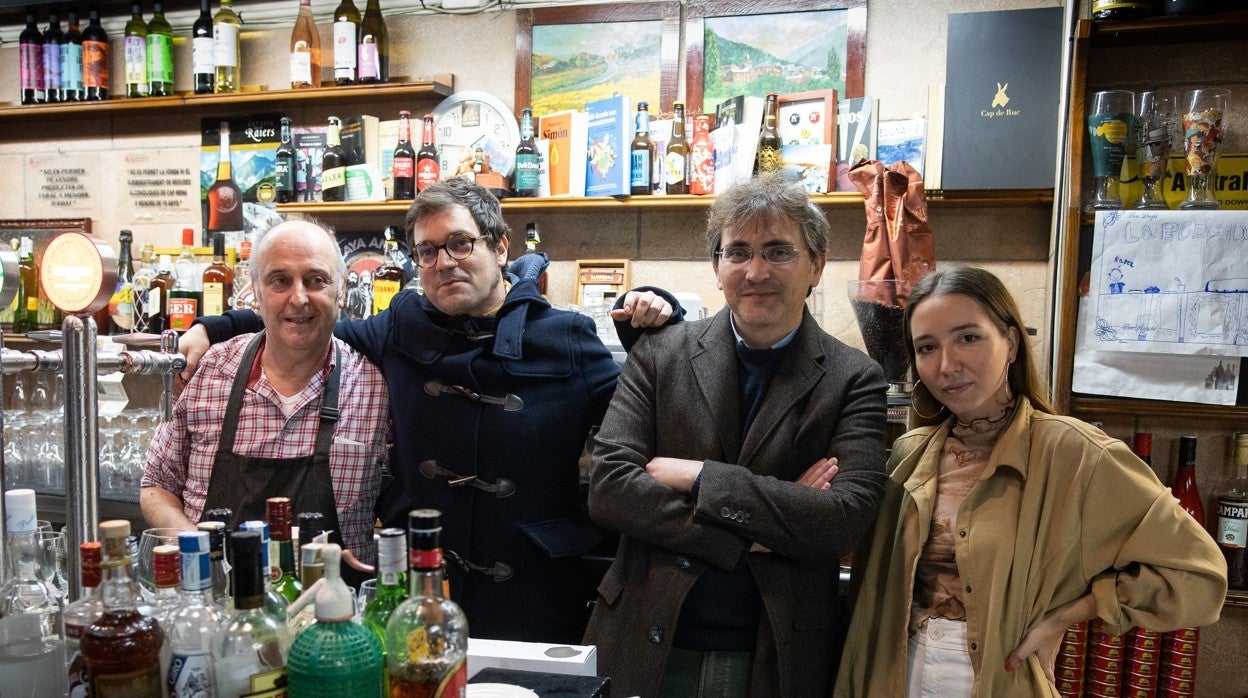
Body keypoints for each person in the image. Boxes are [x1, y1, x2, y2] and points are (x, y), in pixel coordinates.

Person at [178, 177, 678, 643]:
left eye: (460, 243)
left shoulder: (566, 337)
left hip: (535, 590)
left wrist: (657, 327)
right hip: (420, 588)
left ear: (500, 246)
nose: (444, 261)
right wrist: (215, 325)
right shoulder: (400, 326)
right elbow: (308, 316)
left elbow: (652, 420)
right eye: (427, 251)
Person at [836, 266, 1228, 696]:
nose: (947, 364)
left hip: (1000, 679)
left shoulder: (1076, 454)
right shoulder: (908, 456)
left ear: (1011, 342)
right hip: (896, 674)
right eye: (927, 347)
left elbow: (1201, 577)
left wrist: (1071, 613)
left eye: (969, 337)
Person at [583, 173, 889, 697]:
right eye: (739, 252)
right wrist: (757, 529)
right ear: (717, 267)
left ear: (816, 264)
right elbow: (610, 489)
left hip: (774, 653)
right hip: (644, 636)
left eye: (778, 252)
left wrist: (698, 476)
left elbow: (842, 522)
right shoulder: (660, 355)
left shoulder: (854, 378)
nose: (756, 271)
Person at [141, 220, 392, 569]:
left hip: (335, 612)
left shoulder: (375, 386)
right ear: (256, 293)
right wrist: (195, 549)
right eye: (280, 281)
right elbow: (156, 484)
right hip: (216, 604)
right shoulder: (209, 371)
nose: (299, 298)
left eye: (317, 280)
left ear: (342, 288)